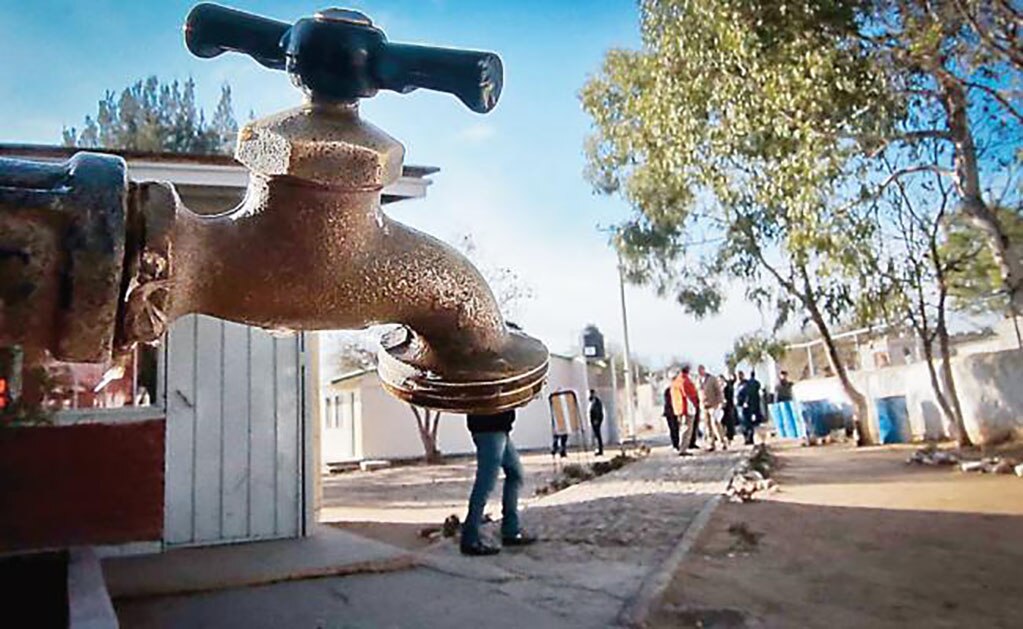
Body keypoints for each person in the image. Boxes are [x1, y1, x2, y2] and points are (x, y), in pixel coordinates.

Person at [462, 409, 536, 556]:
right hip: (490, 428)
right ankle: (470, 539)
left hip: (497, 428)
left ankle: (510, 530)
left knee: (515, 474)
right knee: (485, 484)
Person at [671, 365, 700, 456]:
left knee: (682, 428)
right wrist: (696, 403)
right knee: (687, 429)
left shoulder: (675, 382)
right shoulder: (685, 381)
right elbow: (691, 394)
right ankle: (683, 449)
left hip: (678, 409)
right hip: (687, 408)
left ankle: (681, 447)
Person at [697, 365, 727, 451]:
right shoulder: (698, 380)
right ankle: (711, 443)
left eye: (701, 370)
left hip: (713, 404)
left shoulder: (712, 379)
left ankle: (722, 442)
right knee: (707, 425)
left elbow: (718, 391)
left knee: (715, 423)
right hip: (703, 405)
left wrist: (719, 402)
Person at [737, 370, 764, 445]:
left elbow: (746, 395)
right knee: (745, 424)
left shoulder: (746, 385)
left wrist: (745, 402)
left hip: (746, 406)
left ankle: (749, 438)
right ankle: (747, 438)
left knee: (747, 423)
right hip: (742, 406)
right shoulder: (738, 385)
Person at [663, 384, 680, 450]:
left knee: (674, 429)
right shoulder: (669, 390)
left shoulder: (669, 390)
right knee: (674, 428)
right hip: (672, 412)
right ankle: (675, 444)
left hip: (671, 411)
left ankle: (676, 443)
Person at [722, 374, 738, 442]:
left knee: (729, 421)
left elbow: (734, 379)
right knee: (726, 421)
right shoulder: (727, 385)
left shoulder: (728, 385)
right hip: (726, 405)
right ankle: (727, 435)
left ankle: (729, 435)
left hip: (729, 405)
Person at [588, 389, 605, 456]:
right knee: (596, 435)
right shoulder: (592, 401)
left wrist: (596, 420)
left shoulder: (596, 402)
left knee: (598, 435)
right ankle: (598, 449)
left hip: (596, 420)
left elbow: (597, 411)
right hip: (594, 420)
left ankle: (600, 450)